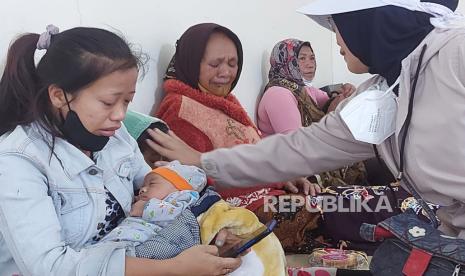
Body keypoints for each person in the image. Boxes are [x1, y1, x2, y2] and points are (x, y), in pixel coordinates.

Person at [146, 0, 465, 241]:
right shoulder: (385, 91)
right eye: (215, 63)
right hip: (267, 203)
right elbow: (301, 148)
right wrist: (205, 163)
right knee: (356, 204)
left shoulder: (454, 55)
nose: (336, 39)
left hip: (299, 193)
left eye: (336, 23)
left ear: (369, 22)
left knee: (371, 203)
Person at [0, 25, 241, 275]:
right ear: (59, 96)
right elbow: (51, 267)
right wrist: (174, 268)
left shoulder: (114, 135)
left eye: (127, 100)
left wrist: (208, 226)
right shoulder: (17, 161)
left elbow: (158, 191)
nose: (120, 115)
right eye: (108, 102)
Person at [154, 23, 326, 253]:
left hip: (268, 194)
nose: (226, 72)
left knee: (338, 199)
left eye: (232, 64)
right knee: (339, 206)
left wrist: (284, 177)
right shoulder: (180, 109)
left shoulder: (226, 103)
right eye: (215, 64)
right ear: (191, 63)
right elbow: (194, 182)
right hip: (236, 211)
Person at [257, 38, 367, 187]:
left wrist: (345, 94)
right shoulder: (279, 94)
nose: (310, 64)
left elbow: (329, 101)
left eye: (312, 58)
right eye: (301, 58)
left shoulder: (301, 89)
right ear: (285, 61)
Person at [101, 161, 206, 246]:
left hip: (139, 246)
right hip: (116, 241)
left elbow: (178, 215)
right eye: (142, 186)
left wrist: (145, 208)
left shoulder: (184, 198)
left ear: (178, 188)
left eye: (152, 184)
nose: (142, 189)